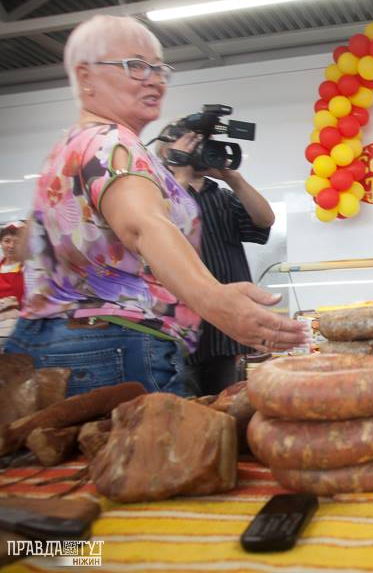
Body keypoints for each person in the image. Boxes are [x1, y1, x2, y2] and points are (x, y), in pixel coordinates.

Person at [4, 15, 306, 397]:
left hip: (57, 341)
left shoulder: (71, 146)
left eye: (160, 69)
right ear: (85, 76)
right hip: (112, 346)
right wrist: (215, 301)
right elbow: (143, 225)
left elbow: (36, 244)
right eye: (135, 66)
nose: (155, 80)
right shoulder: (112, 142)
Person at [156, 123, 275, 396]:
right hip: (177, 326)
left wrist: (233, 178)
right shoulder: (153, 194)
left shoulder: (222, 196)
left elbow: (265, 220)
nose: (199, 152)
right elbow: (156, 222)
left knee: (226, 404)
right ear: (166, 152)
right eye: (191, 146)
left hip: (224, 327)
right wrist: (180, 176)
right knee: (182, 407)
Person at [0, 222, 25, 305]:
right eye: (7, 241)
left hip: (24, 312)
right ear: (1, 243)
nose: (11, 246)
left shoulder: (28, 269)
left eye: (17, 242)